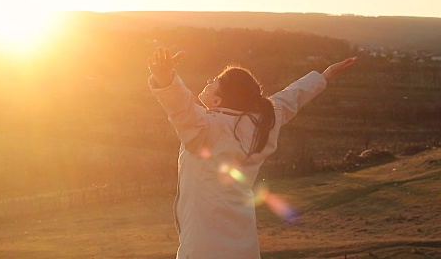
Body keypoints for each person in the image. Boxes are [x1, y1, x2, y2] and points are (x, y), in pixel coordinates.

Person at [148, 47, 357, 259]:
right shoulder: (263, 122)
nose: (208, 82)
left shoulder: (207, 128)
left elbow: (180, 107)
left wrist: (165, 78)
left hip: (204, 246)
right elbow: (290, 98)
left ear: (218, 101)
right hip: (242, 242)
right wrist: (323, 77)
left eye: (214, 81)